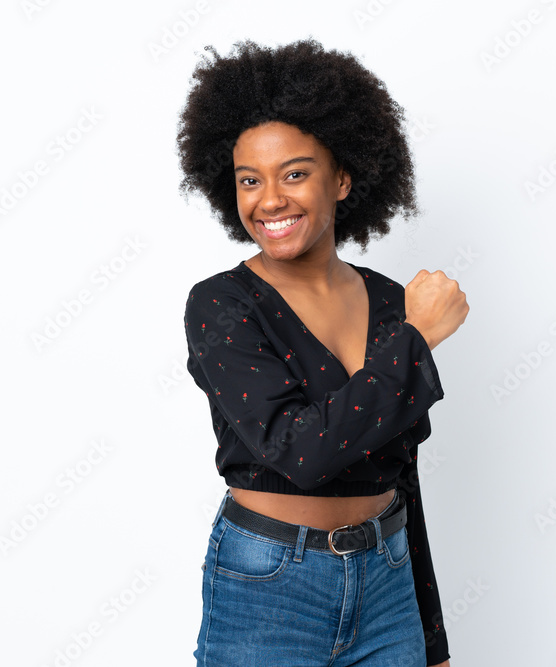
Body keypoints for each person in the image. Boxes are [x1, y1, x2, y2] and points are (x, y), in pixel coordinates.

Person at [177, 37, 468, 666]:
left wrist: (432, 638)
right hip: (269, 587)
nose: (269, 199)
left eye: (295, 173)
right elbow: (302, 453)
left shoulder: (390, 301)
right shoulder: (221, 305)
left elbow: (401, 474)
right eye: (249, 180)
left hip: (388, 582)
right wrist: (417, 340)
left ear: (342, 178)